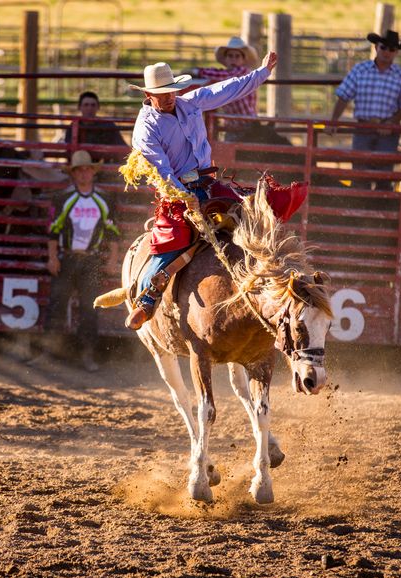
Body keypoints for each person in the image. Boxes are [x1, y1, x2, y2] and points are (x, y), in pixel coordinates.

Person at [124, 53, 279, 330]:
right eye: (162, 93)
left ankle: (274, 281)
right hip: (176, 192)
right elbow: (162, 172)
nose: (170, 97)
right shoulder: (145, 129)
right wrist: (184, 196)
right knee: (173, 239)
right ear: (148, 94)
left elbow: (225, 89)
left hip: (208, 183)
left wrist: (261, 72)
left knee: (255, 217)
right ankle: (148, 297)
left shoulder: (189, 103)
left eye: (171, 91)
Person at [42, 150, 119, 371]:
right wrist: (52, 257)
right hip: (67, 258)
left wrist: (113, 258)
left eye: (87, 169)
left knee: (89, 309)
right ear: (74, 174)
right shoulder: (64, 198)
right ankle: (49, 353)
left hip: (91, 261)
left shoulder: (104, 200)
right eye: (79, 170)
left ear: (93, 172)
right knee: (56, 306)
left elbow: (113, 231)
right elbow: (53, 231)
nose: (84, 174)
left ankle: (87, 355)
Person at [328, 30, 401, 191]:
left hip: (387, 131)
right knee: (360, 174)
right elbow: (343, 96)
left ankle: (380, 212)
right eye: (384, 48)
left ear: (396, 52)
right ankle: (360, 211)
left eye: (392, 49)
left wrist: (391, 122)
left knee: (384, 176)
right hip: (363, 128)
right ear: (376, 47)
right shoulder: (360, 70)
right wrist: (334, 121)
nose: (387, 52)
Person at [191, 37, 259, 140]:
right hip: (234, 126)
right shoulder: (229, 75)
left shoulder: (243, 72)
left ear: (243, 59)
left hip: (248, 127)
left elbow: (225, 75)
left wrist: (197, 72)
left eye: (237, 56)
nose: (233, 59)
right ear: (226, 59)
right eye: (230, 56)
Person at [61, 91, 127, 152]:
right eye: (86, 105)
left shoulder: (108, 125)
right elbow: (69, 152)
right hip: (81, 163)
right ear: (79, 107)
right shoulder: (73, 127)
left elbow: (122, 148)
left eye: (93, 105)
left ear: (98, 107)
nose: (89, 108)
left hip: (105, 162)